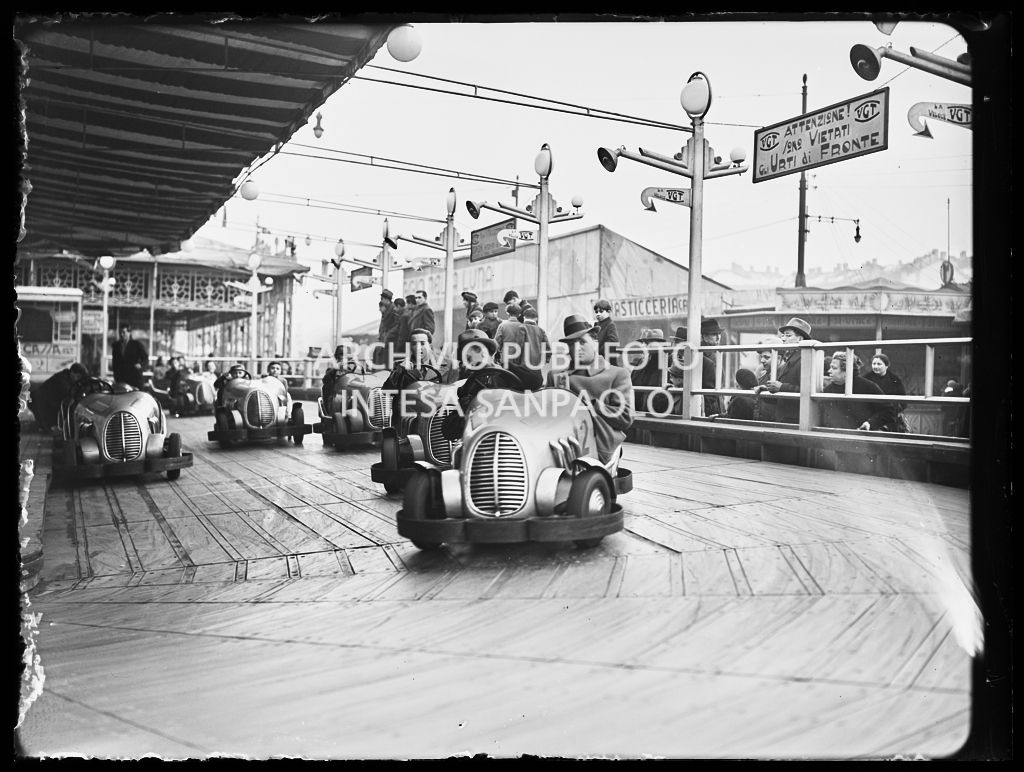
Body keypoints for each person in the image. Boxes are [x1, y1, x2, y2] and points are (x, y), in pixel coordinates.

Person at [546, 314, 634, 469]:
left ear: (595, 342)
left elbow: (626, 417)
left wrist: (591, 405)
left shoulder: (617, 374)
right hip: (558, 444)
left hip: (597, 448)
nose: (576, 348)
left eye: (582, 342)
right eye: (572, 344)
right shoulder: (556, 376)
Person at [754, 317, 812, 424]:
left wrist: (781, 387)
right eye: (783, 335)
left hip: (795, 420)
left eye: (788, 335)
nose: (783, 339)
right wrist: (767, 389)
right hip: (786, 418)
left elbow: (807, 391)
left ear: (800, 339)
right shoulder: (792, 359)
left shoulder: (804, 359)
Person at [819, 351, 896, 431]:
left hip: (863, 436)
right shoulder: (827, 391)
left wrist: (870, 423)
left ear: (847, 371)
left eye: (834, 368)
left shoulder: (868, 387)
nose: (829, 371)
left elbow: (888, 411)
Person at [494, 303, 543, 390]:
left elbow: (497, 344)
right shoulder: (524, 327)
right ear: (520, 314)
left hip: (506, 361)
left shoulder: (503, 325)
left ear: (507, 313)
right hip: (521, 364)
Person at [28, 362, 88, 431]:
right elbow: (70, 395)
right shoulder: (62, 379)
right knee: (51, 428)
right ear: (72, 373)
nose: (78, 380)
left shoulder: (68, 378)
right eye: (78, 376)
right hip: (38, 401)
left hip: (44, 401)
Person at [862, 352, 908, 432]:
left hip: (891, 416)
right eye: (874, 364)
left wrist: (895, 411)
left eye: (879, 364)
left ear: (886, 366)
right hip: (871, 417)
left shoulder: (894, 379)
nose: (875, 366)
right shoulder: (866, 378)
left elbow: (903, 400)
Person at [628, 328, 667, 413]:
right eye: (642, 343)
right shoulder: (642, 360)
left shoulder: (663, 359)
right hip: (640, 401)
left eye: (646, 343)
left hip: (652, 403)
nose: (643, 346)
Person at [699, 318, 724, 417]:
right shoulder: (704, 355)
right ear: (704, 337)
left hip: (714, 400)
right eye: (714, 334)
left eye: (719, 333)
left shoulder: (714, 352)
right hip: (709, 404)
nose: (718, 337)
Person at [111, 323, 148, 388]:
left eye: (124, 332)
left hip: (134, 377)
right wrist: (115, 375)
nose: (121, 334)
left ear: (129, 333)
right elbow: (114, 362)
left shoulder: (136, 345)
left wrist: (140, 365)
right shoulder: (116, 346)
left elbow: (145, 357)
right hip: (121, 378)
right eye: (120, 332)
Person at [592, 299, 619, 364]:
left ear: (608, 312)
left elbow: (613, 340)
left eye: (601, 311)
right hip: (597, 359)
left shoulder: (610, 325)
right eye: (596, 312)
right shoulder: (596, 325)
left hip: (608, 360)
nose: (598, 314)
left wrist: (599, 350)